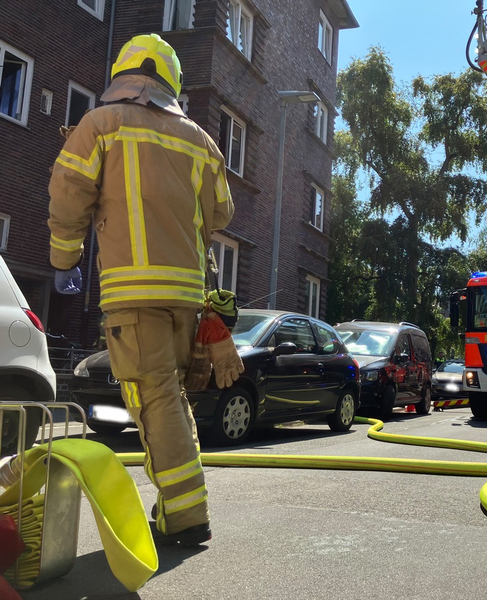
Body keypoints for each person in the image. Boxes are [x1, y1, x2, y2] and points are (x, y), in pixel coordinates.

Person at [48, 34, 236, 546]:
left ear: (123, 77)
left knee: (154, 398)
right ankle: (177, 507)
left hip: (133, 294)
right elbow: (221, 214)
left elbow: (68, 195)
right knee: (169, 397)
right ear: (172, 82)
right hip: (187, 298)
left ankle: (187, 515)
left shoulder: (100, 124)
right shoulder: (201, 140)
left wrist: (64, 260)